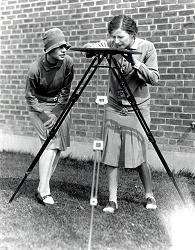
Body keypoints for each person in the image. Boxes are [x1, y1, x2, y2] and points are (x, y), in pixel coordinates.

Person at [84, 15, 159, 213]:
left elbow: (154, 78)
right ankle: (112, 199)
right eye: (113, 37)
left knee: (139, 153)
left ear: (133, 35)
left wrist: (134, 61)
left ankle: (149, 194)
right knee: (111, 152)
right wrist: (93, 49)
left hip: (138, 107)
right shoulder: (111, 44)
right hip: (114, 105)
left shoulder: (147, 47)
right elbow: (92, 46)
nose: (116, 42)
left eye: (121, 38)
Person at [25, 28, 74, 205]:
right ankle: (44, 190)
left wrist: (55, 112)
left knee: (58, 147)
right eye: (59, 47)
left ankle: (42, 186)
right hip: (38, 107)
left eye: (65, 46)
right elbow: (30, 98)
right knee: (50, 145)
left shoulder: (68, 63)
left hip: (59, 107)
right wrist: (46, 117)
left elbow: (66, 91)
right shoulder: (35, 69)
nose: (64, 50)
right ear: (49, 49)